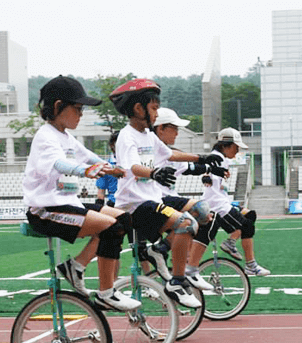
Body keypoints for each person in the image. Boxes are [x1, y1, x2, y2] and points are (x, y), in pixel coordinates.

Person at [22, 75, 140, 311]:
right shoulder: (45, 137)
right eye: (77, 108)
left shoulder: (65, 137)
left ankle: (76, 267)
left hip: (68, 204)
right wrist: (86, 170)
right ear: (57, 106)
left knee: (122, 219)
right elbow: (59, 164)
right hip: (45, 211)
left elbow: (89, 156)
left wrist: (113, 169)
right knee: (112, 228)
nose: (81, 113)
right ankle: (106, 293)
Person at [109, 79, 221, 308]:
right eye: (154, 108)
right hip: (133, 204)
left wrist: (201, 158)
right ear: (139, 109)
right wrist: (154, 173)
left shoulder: (149, 136)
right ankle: (176, 282)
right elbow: (131, 167)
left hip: (151, 200)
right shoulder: (127, 136)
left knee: (193, 220)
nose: (157, 112)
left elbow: (170, 154)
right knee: (186, 223)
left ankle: (164, 257)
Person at [144, 107, 229, 281]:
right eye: (174, 128)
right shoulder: (150, 144)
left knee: (206, 219)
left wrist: (209, 166)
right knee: (202, 212)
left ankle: (182, 263)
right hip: (155, 200)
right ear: (160, 128)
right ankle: (180, 266)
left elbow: (189, 168)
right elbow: (176, 156)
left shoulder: (162, 148)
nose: (177, 133)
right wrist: (204, 160)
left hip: (165, 198)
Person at [187, 127, 271, 277]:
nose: (237, 150)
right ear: (227, 145)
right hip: (217, 206)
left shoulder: (221, 158)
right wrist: (206, 177)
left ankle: (231, 244)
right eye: (236, 147)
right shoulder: (217, 157)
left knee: (250, 215)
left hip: (223, 202)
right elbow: (208, 170)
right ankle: (250, 264)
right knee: (247, 226)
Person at [95, 132, 124, 207]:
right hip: (114, 203)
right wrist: (99, 208)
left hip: (134, 203)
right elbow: (101, 191)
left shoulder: (135, 164)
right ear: (112, 145)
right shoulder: (106, 166)